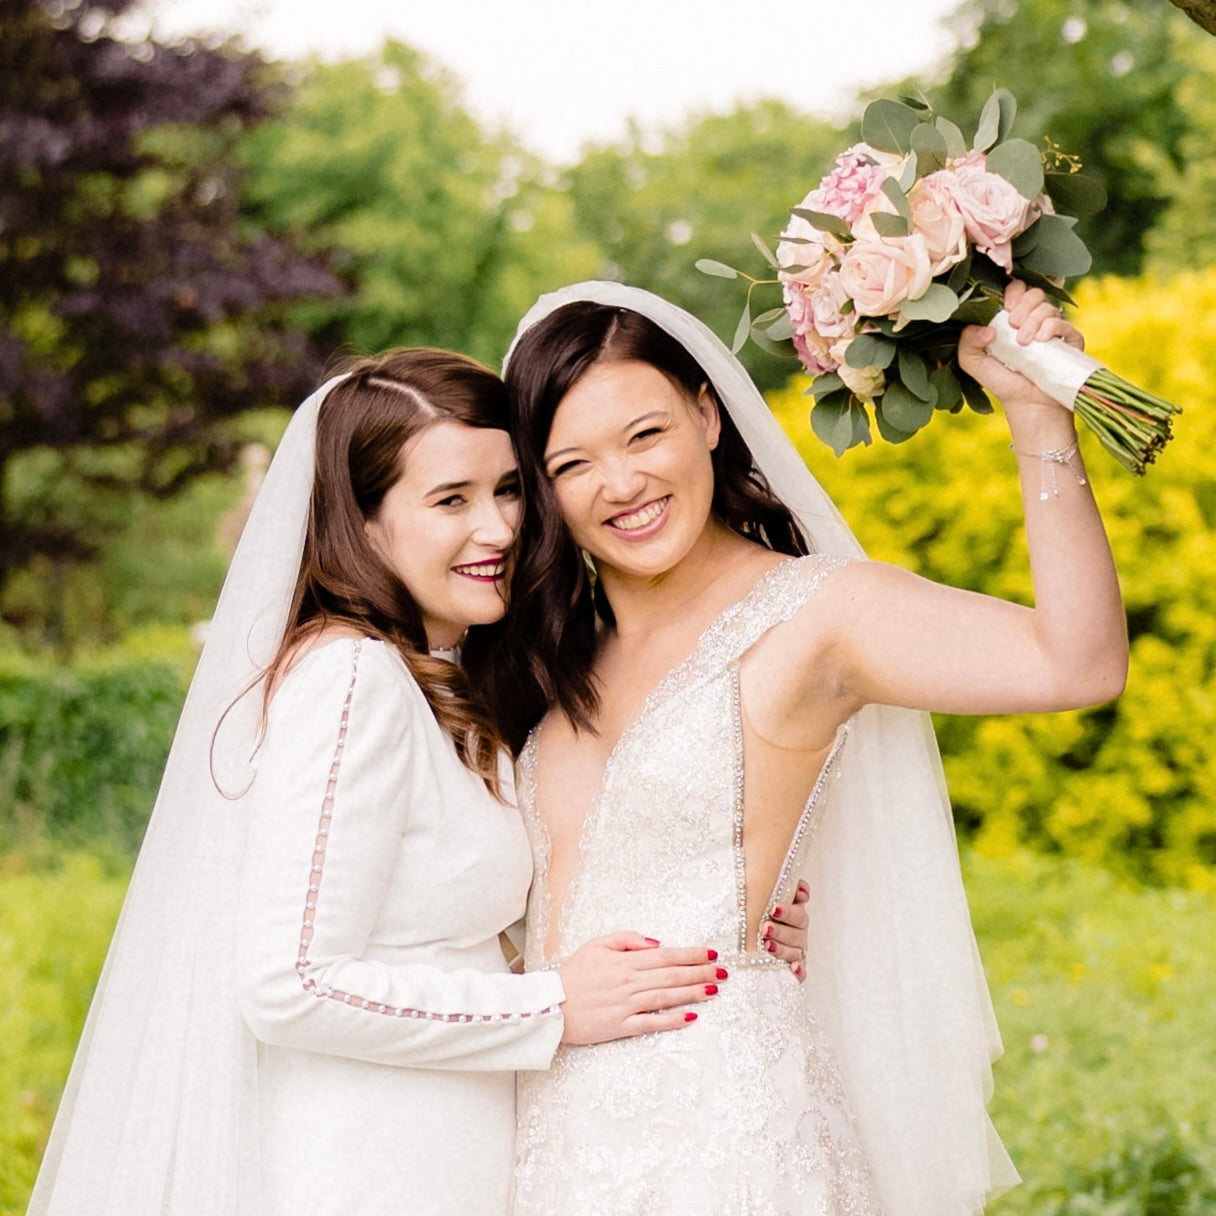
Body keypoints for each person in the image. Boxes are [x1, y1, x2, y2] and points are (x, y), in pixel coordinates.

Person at [28, 347, 811, 1216]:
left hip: (447, 1154)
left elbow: (435, 930)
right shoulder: (352, 679)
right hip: (363, 1166)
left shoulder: (438, 680)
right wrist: (551, 1005)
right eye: (451, 501)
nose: (500, 529)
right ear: (362, 525)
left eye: (509, 489)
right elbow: (291, 983)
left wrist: (711, 906)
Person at [488, 280, 1128, 1216]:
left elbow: (1075, 664)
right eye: (571, 463)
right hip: (534, 1132)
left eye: (644, 435)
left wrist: (1037, 418)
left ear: (707, 415)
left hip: (722, 1139)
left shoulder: (817, 616)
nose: (620, 485)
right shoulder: (542, 652)